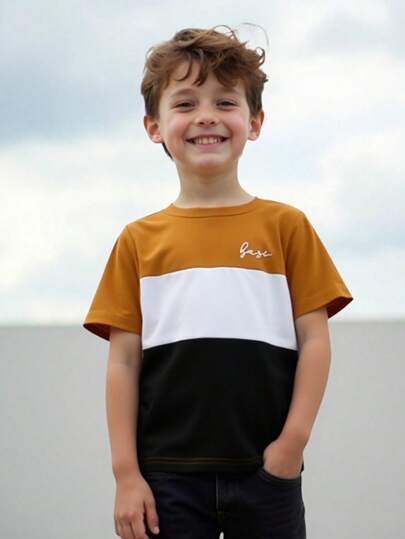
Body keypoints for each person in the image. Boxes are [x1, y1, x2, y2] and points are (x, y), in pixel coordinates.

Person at [83, 24, 354, 539]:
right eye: (185, 104)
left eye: (224, 102)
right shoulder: (137, 241)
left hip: (267, 472)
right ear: (154, 126)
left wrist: (291, 445)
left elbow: (315, 341)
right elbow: (123, 362)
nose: (206, 115)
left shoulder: (287, 227)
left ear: (254, 122)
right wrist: (126, 475)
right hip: (164, 479)